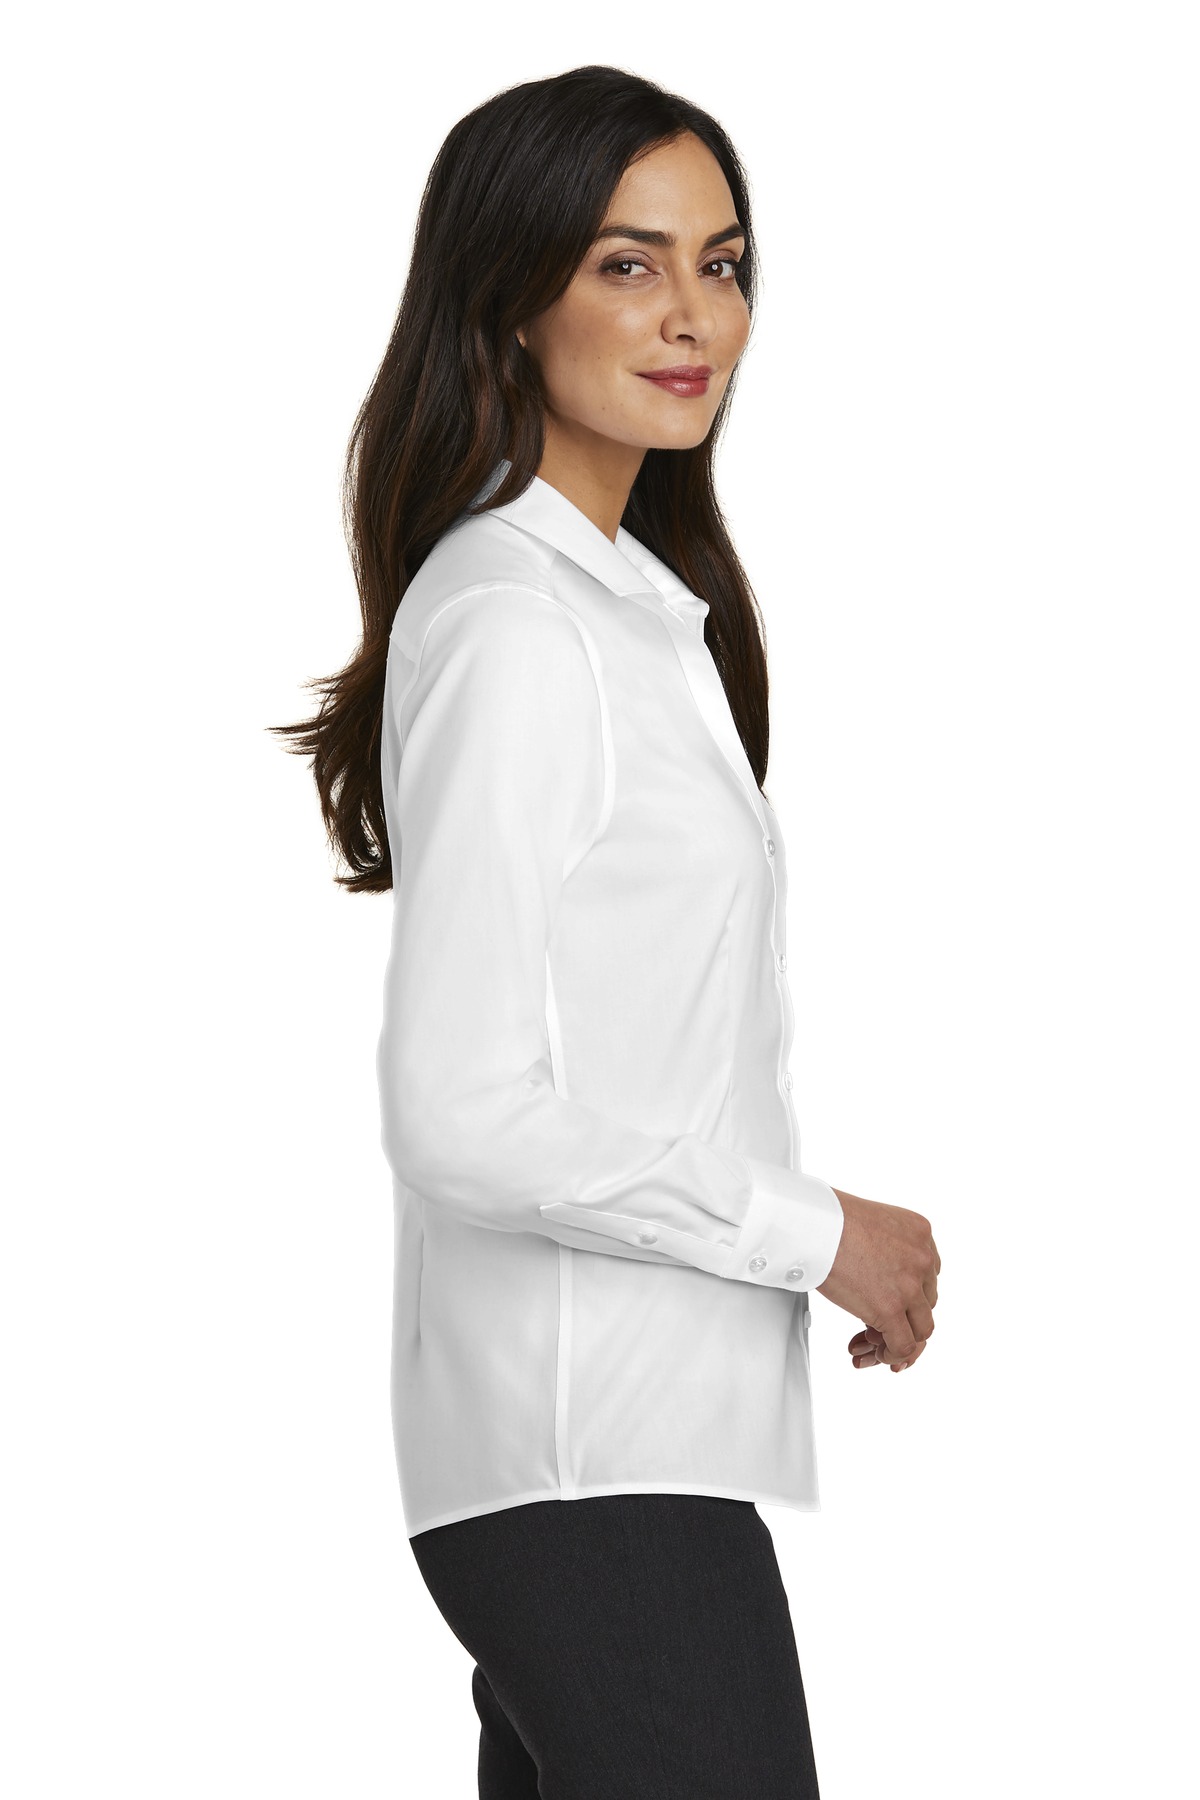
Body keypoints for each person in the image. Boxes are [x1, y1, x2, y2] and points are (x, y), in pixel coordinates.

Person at [275, 63, 940, 1800]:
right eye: (627, 264)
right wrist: (817, 1233)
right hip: (588, 1465)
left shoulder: (627, 609)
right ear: (510, 298)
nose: (693, 317)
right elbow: (461, 1112)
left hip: (614, 1458)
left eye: (722, 264)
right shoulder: (520, 626)